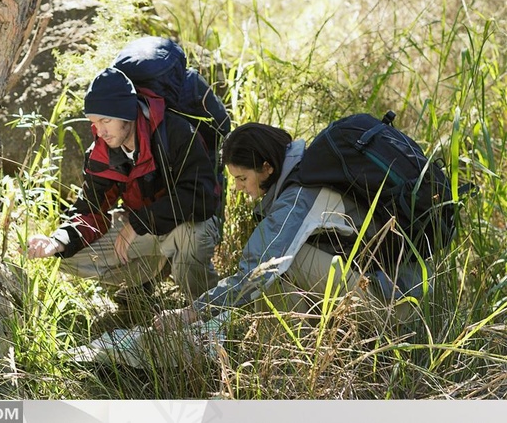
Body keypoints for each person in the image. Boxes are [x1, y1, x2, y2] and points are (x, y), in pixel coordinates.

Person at [155, 123, 427, 328]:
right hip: (392, 283)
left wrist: (192, 312)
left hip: (399, 303)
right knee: (280, 268)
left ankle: (288, 368)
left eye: (241, 178)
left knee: (277, 266)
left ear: (267, 168)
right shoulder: (308, 169)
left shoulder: (298, 196)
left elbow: (255, 273)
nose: (237, 188)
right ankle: (302, 355)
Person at [26, 67, 221, 302]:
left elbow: (201, 197)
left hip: (185, 224)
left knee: (191, 234)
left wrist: (139, 223)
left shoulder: (175, 133)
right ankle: (144, 283)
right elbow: (91, 210)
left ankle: (206, 306)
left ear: (127, 113)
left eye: (106, 120)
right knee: (68, 256)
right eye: (94, 122)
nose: (100, 131)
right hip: (141, 229)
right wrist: (57, 240)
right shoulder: (101, 153)